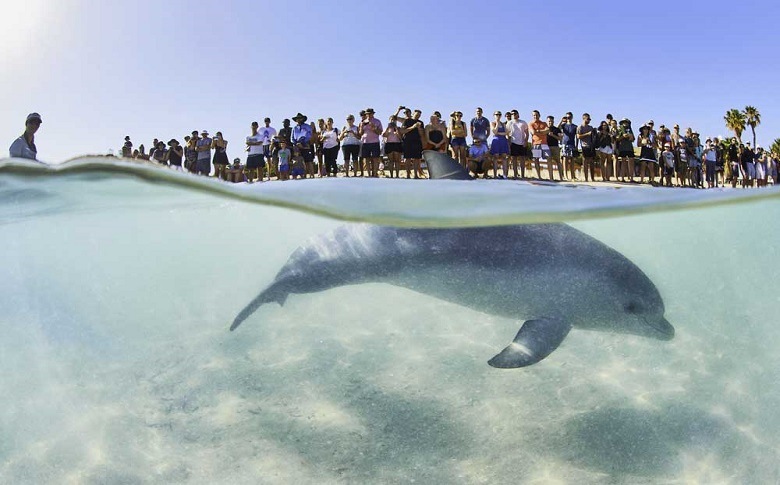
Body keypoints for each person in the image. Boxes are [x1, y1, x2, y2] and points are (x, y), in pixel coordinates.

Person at [400, 108, 425, 179]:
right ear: (413, 114)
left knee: (417, 159)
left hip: (417, 142)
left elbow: (422, 134)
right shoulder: (407, 121)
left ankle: (416, 175)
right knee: (407, 158)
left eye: (419, 115)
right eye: (417, 115)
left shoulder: (421, 122)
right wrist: (413, 127)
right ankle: (408, 174)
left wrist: (419, 128)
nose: (418, 116)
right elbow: (402, 131)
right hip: (407, 141)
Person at [359, 108, 383, 178]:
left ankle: (375, 173)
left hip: (375, 142)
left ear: (373, 114)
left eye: (370, 113)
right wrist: (361, 127)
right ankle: (369, 174)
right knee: (366, 159)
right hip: (365, 142)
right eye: (367, 114)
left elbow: (380, 132)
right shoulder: (363, 122)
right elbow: (360, 134)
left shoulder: (377, 121)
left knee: (375, 158)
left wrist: (374, 127)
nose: (368, 115)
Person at [507, 110, 529, 179]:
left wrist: (526, 141)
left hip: (522, 143)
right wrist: (509, 142)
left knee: (522, 159)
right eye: (512, 114)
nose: (513, 115)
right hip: (513, 142)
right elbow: (507, 133)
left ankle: (522, 175)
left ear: (518, 114)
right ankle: (515, 175)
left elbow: (527, 133)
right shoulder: (509, 123)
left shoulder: (523, 122)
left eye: (515, 113)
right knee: (514, 159)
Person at [291, 113, 314, 178]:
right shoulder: (294, 128)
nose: (299, 119)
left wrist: (303, 142)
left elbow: (309, 135)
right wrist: (296, 143)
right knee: (300, 162)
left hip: (306, 145)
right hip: (297, 146)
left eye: (300, 118)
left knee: (309, 161)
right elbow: (292, 138)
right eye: (298, 118)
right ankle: (304, 175)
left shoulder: (307, 126)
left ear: (303, 119)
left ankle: (312, 175)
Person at [529, 110, 549, 180]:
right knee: (536, 159)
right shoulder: (531, 124)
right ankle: (539, 176)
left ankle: (550, 176)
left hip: (544, 144)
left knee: (548, 159)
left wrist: (539, 131)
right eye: (534, 115)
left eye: (536, 115)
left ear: (539, 115)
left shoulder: (544, 123)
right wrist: (541, 132)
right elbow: (533, 132)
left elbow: (547, 131)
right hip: (536, 144)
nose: (535, 116)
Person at [577, 113, 597, 182]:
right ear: (584, 118)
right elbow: (578, 136)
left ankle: (592, 178)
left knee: (592, 162)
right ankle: (586, 178)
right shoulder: (580, 127)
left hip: (591, 146)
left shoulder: (590, 127)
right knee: (585, 162)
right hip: (584, 146)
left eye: (590, 119)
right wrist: (587, 134)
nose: (589, 120)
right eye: (588, 119)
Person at [489, 111, 509, 179]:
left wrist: (499, 133)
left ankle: (504, 175)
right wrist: (497, 123)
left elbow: (506, 132)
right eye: (496, 114)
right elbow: (494, 131)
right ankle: (495, 175)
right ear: (494, 115)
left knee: (504, 157)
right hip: (496, 141)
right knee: (495, 157)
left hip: (503, 141)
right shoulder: (492, 123)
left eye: (499, 114)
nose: (498, 116)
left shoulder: (503, 124)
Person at [615, 118, 635, 183]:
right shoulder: (619, 129)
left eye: (626, 122)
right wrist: (623, 136)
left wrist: (630, 136)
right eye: (624, 122)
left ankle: (631, 178)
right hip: (622, 147)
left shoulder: (630, 129)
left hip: (630, 147)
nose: (625, 123)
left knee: (631, 162)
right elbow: (617, 139)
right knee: (623, 162)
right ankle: (622, 178)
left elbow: (633, 139)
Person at [560, 113, 577, 180]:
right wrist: (561, 120)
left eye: (569, 117)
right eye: (567, 117)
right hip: (565, 143)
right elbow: (558, 128)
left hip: (572, 144)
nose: (568, 118)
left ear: (572, 117)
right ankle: (565, 175)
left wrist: (576, 145)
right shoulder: (563, 125)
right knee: (565, 159)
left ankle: (573, 176)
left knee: (572, 160)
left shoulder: (575, 126)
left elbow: (577, 136)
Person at [546, 115, 563, 181]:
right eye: (549, 121)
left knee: (558, 162)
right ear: (547, 121)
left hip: (555, 147)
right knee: (549, 162)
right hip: (547, 147)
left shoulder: (557, 129)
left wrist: (553, 135)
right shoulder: (545, 129)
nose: (550, 122)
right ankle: (551, 178)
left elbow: (560, 138)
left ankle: (561, 177)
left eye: (552, 121)